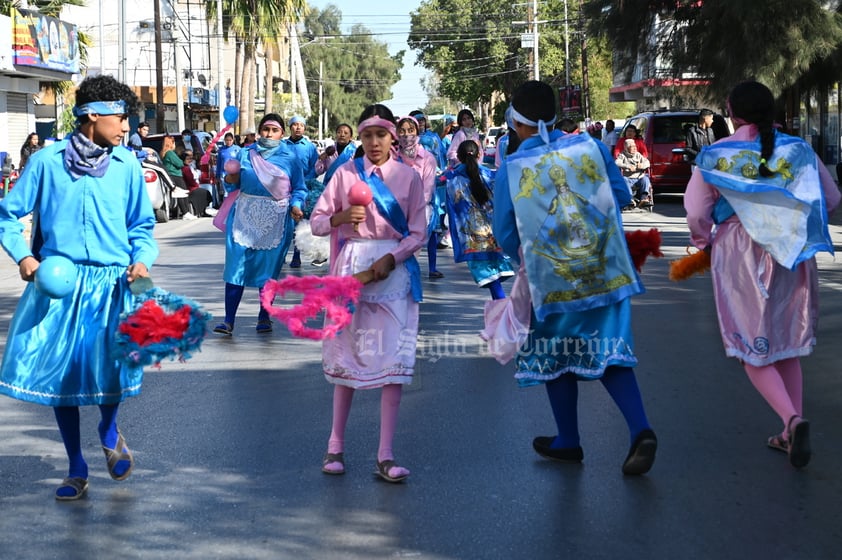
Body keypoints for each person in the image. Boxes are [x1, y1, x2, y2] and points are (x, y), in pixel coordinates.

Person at [0, 75, 158, 500]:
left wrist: (142, 260)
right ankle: (75, 466)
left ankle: (109, 431)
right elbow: (7, 216)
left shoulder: (126, 167)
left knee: (109, 368)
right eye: (120, 118)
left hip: (111, 284)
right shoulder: (46, 163)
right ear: (92, 115)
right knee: (61, 377)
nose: (126, 127)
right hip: (58, 285)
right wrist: (25, 257)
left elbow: (142, 227)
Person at [492, 80, 657, 475]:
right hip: (606, 267)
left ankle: (569, 439)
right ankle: (640, 428)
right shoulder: (593, 147)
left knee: (556, 355)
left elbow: (505, 234)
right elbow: (619, 195)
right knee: (610, 350)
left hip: (550, 275)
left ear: (516, 121)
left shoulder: (511, 169)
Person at [684, 81, 840, 469]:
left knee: (749, 342)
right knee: (786, 339)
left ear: (730, 111)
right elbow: (831, 199)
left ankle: (791, 420)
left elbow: (696, 212)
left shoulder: (715, 155)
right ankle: (790, 432)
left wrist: (704, 241)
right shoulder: (799, 150)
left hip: (740, 250)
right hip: (791, 248)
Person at [309, 104, 426, 483]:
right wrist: (341, 218)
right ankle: (335, 445)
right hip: (353, 268)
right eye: (367, 136)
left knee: (393, 361)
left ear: (394, 137)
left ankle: (386, 455)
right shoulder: (343, 174)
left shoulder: (408, 178)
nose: (374, 143)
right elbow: (317, 221)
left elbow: (418, 232)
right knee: (348, 357)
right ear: (359, 138)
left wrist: (393, 258)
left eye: (381, 135)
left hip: (392, 273)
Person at [213, 113, 307, 336]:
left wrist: (296, 204)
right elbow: (231, 184)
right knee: (236, 266)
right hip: (244, 214)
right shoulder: (245, 154)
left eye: (274, 130)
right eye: (266, 129)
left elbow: (300, 188)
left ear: (281, 133)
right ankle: (228, 320)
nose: (269, 134)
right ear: (259, 131)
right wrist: (230, 178)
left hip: (276, 216)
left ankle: (264, 315)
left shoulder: (290, 158)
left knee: (268, 270)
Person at [443, 139, 513, 298]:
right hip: (493, 231)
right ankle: (502, 308)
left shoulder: (451, 178)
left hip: (471, 236)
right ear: (479, 154)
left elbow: (435, 183)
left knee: (490, 277)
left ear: (459, 157)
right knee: (495, 273)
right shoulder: (491, 175)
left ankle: (502, 310)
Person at [395, 115, 442, 278]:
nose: (406, 135)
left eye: (410, 130)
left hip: (420, 210)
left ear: (417, 132)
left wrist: (415, 209)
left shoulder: (427, 158)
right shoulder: (393, 157)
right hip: (395, 212)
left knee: (412, 252)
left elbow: (427, 188)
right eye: (402, 131)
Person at [285, 116, 321, 268]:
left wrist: (304, 181)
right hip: (285, 188)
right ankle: (280, 255)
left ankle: (297, 255)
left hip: (302, 189)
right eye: (295, 125)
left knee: (298, 222)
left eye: (301, 125)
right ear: (290, 127)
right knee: (284, 224)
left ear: (304, 128)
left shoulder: (310, 147)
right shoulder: (282, 145)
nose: (298, 128)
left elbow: (316, 167)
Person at [160, 135, 194, 220]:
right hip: (175, 175)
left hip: (172, 175)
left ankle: (186, 212)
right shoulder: (170, 153)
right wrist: (182, 161)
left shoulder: (163, 152)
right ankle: (185, 212)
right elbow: (179, 163)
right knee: (182, 193)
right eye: (173, 142)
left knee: (180, 193)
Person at [614, 138, 653, 209]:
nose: (635, 148)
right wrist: (628, 166)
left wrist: (642, 165)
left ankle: (643, 199)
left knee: (645, 179)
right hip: (629, 178)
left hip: (639, 178)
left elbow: (647, 162)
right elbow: (617, 162)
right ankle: (630, 199)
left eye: (635, 146)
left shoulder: (638, 155)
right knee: (624, 179)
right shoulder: (622, 155)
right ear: (627, 147)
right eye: (632, 146)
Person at [181, 150, 216, 218]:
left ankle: (205, 209)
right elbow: (190, 180)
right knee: (205, 192)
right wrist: (196, 186)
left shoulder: (189, 167)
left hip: (192, 186)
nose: (189, 160)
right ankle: (203, 209)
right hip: (190, 188)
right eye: (187, 159)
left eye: (190, 159)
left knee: (206, 191)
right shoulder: (185, 168)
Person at [215, 132, 241, 207]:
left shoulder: (238, 149)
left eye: (230, 140)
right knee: (226, 192)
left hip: (235, 174)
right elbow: (219, 163)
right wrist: (217, 175)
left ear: (233, 140)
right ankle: (226, 207)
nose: (228, 142)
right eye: (227, 140)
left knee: (235, 190)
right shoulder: (221, 150)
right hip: (224, 174)